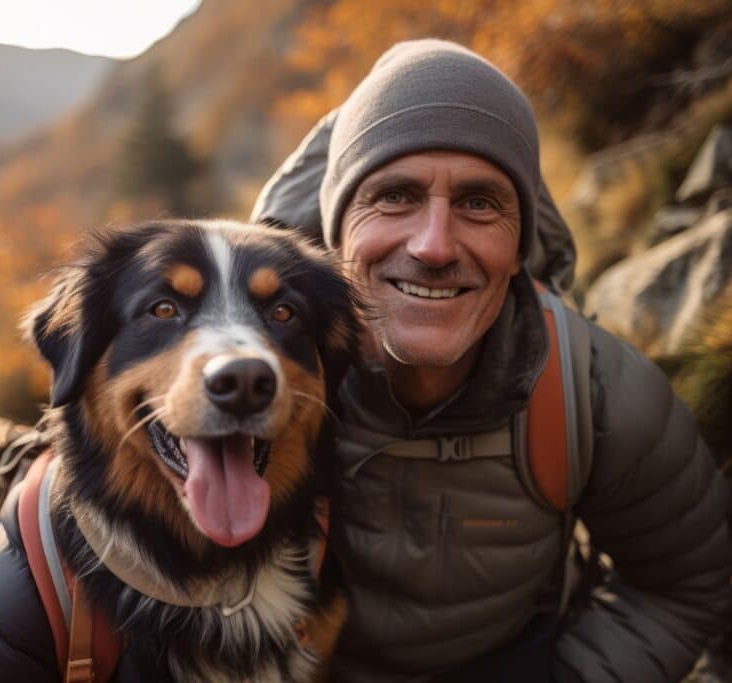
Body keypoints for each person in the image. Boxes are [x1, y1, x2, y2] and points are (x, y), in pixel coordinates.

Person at [250, 39, 732, 681]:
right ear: (335, 231)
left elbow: (684, 583)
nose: (434, 246)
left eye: (479, 202)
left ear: (521, 243)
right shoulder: (251, 380)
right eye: (394, 196)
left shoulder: (591, 392)